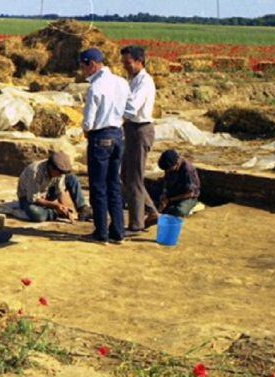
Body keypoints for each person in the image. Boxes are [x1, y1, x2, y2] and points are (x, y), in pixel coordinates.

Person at [80, 48, 130, 244]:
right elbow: (129, 109)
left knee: (99, 186)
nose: (82, 71)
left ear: (92, 64)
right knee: (114, 184)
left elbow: (89, 121)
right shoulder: (122, 82)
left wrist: (86, 130)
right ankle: (118, 232)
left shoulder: (96, 87)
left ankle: (101, 232)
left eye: (83, 66)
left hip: (100, 137)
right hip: (118, 134)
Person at [121, 45, 159, 236]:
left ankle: (136, 225)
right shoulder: (133, 80)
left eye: (128, 63)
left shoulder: (144, 82)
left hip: (140, 129)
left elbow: (132, 108)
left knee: (134, 178)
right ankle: (151, 211)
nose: (125, 66)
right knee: (126, 175)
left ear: (139, 61)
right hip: (131, 129)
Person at [17, 151, 93, 223]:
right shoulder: (34, 172)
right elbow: (34, 198)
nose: (61, 175)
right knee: (37, 214)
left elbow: (60, 191)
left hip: (47, 192)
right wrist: (56, 206)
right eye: (59, 172)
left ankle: (83, 208)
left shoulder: (59, 172)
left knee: (72, 178)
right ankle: (54, 213)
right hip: (29, 198)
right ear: (51, 167)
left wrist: (64, 208)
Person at [157, 149, 201, 217]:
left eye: (169, 169)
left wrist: (169, 200)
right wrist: (164, 195)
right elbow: (166, 181)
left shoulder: (188, 170)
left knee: (178, 212)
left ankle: (193, 207)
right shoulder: (169, 166)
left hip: (187, 197)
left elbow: (190, 193)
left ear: (177, 163)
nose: (167, 171)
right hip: (174, 192)